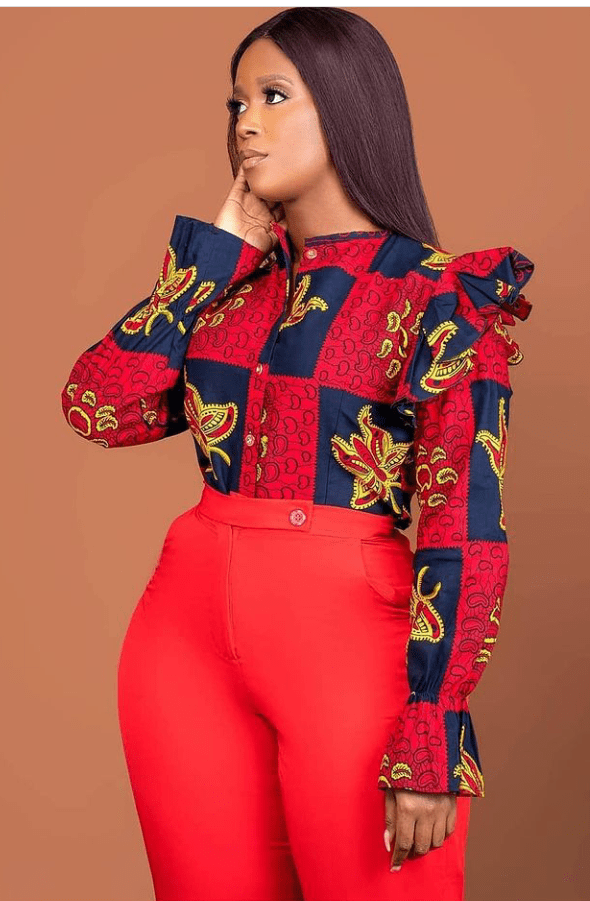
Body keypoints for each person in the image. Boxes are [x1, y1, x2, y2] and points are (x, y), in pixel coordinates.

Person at [60, 8, 535, 901]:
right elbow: (99, 405)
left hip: (348, 651)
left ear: (349, 107)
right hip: (182, 642)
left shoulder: (439, 296)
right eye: (236, 101)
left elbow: (465, 525)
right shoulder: (232, 289)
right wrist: (211, 259)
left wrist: (433, 726)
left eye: (274, 96)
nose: (246, 122)